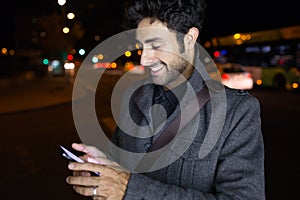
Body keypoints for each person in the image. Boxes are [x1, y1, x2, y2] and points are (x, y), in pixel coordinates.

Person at [65, 0, 265, 199]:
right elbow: (122, 163)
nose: (144, 59)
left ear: (189, 39)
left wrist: (129, 189)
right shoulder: (132, 96)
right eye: (142, 46)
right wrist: (102, 165)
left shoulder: (237, 112)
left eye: (156, 45)